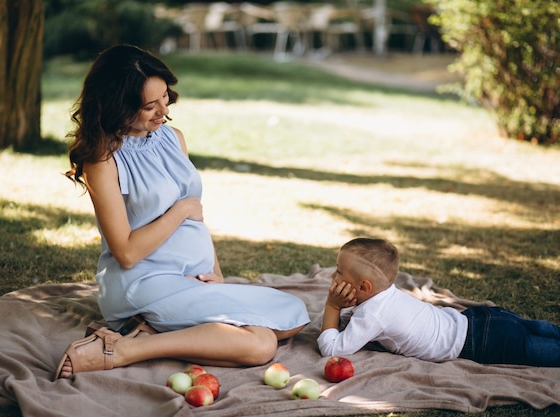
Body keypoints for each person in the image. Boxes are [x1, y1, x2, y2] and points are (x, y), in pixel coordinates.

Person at [55, 44, 309, 380]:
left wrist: (215, 271)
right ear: (118, 105)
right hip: (142, 282)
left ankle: (149, 332)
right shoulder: (103, 160)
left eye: (165, 98)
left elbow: (197, 222)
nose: (163, 111)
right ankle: (125, 349)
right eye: (149, 105)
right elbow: (127, 252)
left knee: (293, 312)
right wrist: (180, 210)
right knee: (261, 344)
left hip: (189, 279)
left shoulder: (173, 138)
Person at [318, 237, 560, 367]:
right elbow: (349, 326)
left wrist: (333, 306)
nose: (333, 276)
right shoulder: (386, 295)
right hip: (480, 318)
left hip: (478, 342)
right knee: (538, 328)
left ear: (364, 287)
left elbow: (332, 349)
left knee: (539, 350)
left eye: (339, 271)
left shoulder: (372, 316)